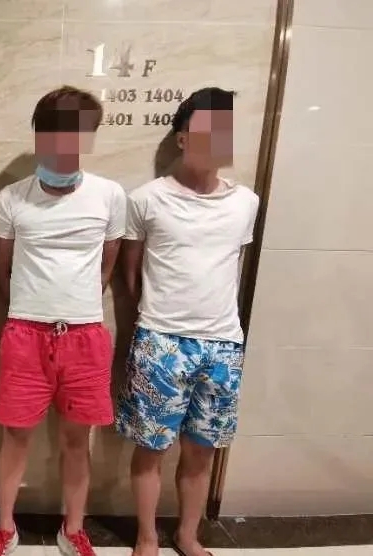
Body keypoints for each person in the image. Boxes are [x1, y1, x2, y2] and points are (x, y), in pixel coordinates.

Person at [115, 87, 260, 556]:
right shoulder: (146, 199)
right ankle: (146, 537)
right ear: (182, 138)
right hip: (161, 340)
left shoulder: (246, 202)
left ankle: (188, 535)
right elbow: (130, 276)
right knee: (151, 448)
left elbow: (232, 266)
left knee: (202, 450)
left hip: (223, 344)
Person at [0, 85, 127, 556]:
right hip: (24, 333)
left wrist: (75, 305)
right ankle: (5, 526)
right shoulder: (11, 198)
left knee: (77, 440)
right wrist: (33, 308)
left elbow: (107, 266)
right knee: (15, 436)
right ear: (40, 134)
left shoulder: (110, 196)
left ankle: (74, 528)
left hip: (85, 336)